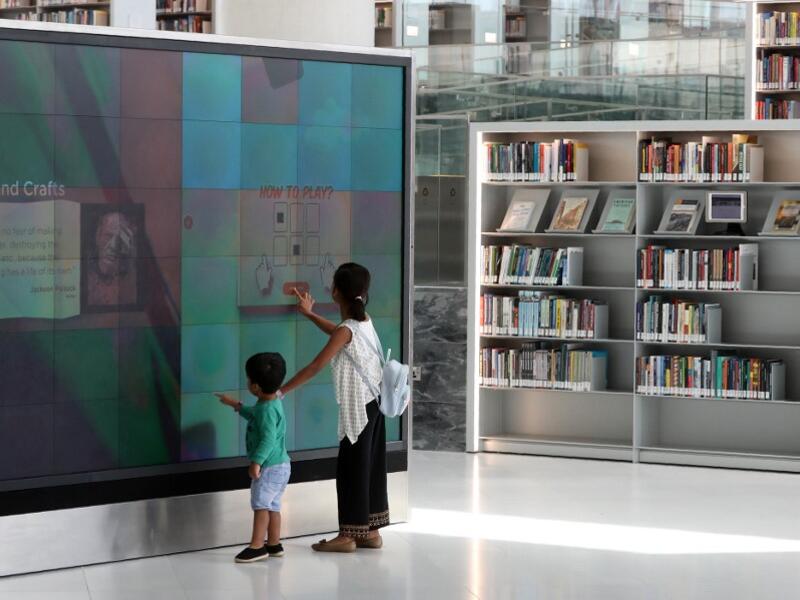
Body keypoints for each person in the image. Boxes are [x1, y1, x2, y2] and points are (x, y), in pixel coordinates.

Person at [279, 262, 388, 553]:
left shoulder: (347, 330)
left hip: (358, 410)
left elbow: (316, 365)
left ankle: (347, 536)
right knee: (370, 467)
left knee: (351, 469)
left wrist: (281, 391)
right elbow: (341, 333)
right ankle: (370, 531)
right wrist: (311, 315)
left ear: (335, 291)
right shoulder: (364, 322)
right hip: (375, 405)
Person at [217, 352, 291, 563]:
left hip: (269, 466)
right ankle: (274, 544)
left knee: (260, 505)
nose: (248, 382)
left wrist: (256, 462)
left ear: (256, 387)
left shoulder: (266, 410)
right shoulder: (272, 401)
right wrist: (237, 406)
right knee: (273, 506)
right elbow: (255, 415)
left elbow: (267, 439)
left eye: (249, 380)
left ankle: (257, 546)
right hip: (282, 465)